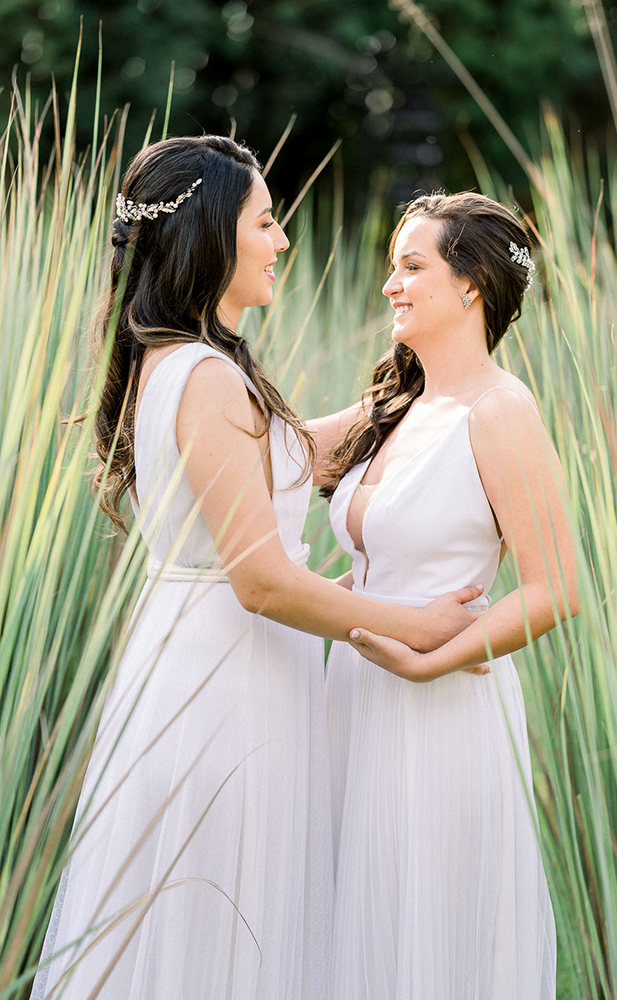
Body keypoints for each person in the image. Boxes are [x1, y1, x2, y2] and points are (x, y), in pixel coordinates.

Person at [31, 138, 484, 1000]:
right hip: (222, 686)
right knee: (223, 932)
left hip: (211, 663)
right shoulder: (203, 375)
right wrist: (410, 621)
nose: (280, 242)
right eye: (265, 222)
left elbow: (287, 462)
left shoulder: (185, 361)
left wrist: (415, 387)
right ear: (210, 235)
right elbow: (262, 580)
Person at [314, 192, 579, 999]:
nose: (391, 284)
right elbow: (267, 448)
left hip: (441, 713)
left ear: (472, 286)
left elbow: (556, 587)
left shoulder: (502, 410)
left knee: (430, 945)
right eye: (393, 266)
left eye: (411, 266)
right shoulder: (394, 408)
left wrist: (435, 663)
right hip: (355, 705)